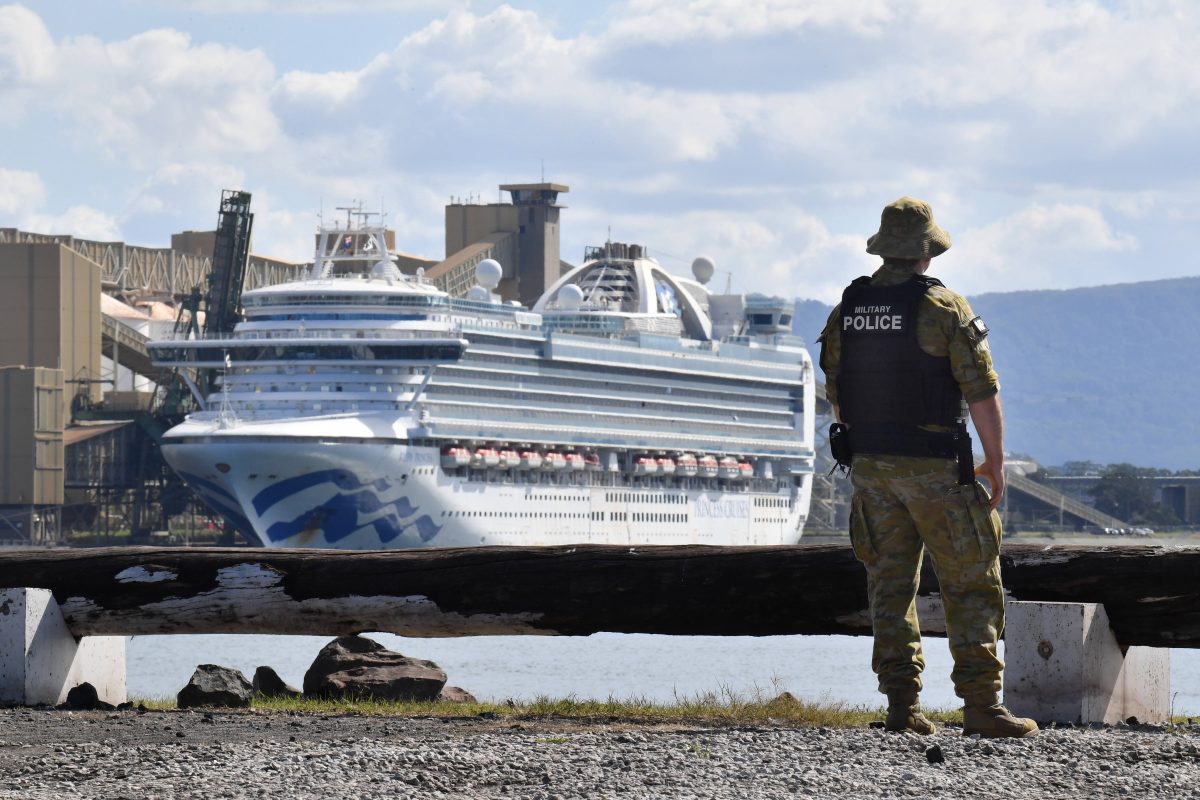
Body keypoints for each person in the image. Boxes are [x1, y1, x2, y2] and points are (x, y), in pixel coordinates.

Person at [817, 196, 1038, 739]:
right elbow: (982, 392)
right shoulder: (943, 309)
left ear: (884, 249)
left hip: (870, 468)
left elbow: (839, 397)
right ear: (926, 254)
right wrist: (995, 462)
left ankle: (901, 705)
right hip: (936, 468)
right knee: (971, 582)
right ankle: (981, 707)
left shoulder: (847, 310)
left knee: (889, 584)